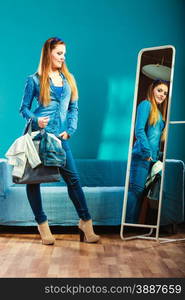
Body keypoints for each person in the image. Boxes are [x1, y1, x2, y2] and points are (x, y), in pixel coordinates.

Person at [19, 37, 100, 245]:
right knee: (33, 180)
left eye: (64, 54)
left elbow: (74, 109)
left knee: (73, 179)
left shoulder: (69, 80)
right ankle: (42, 225)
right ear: (49, 53)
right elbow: (24, 109)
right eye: (59, 53)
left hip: (59, 137)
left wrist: (70, 130)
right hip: (37, 135)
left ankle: (85, 222)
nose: (63, 57)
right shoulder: (34, 79)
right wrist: (37, 119)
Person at [126, 79, 169, 223]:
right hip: (142, 157)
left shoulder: (159, 113)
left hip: (152, 159)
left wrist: (158, 157)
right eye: (159, 90)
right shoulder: (146, 105)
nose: (162, 95)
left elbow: (155, 139)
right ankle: (127, 225)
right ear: (152, 90)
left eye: (165, 93)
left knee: (143, 193)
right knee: (136, 191)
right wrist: (147, 153)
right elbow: (139, 130)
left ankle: (134, 226)